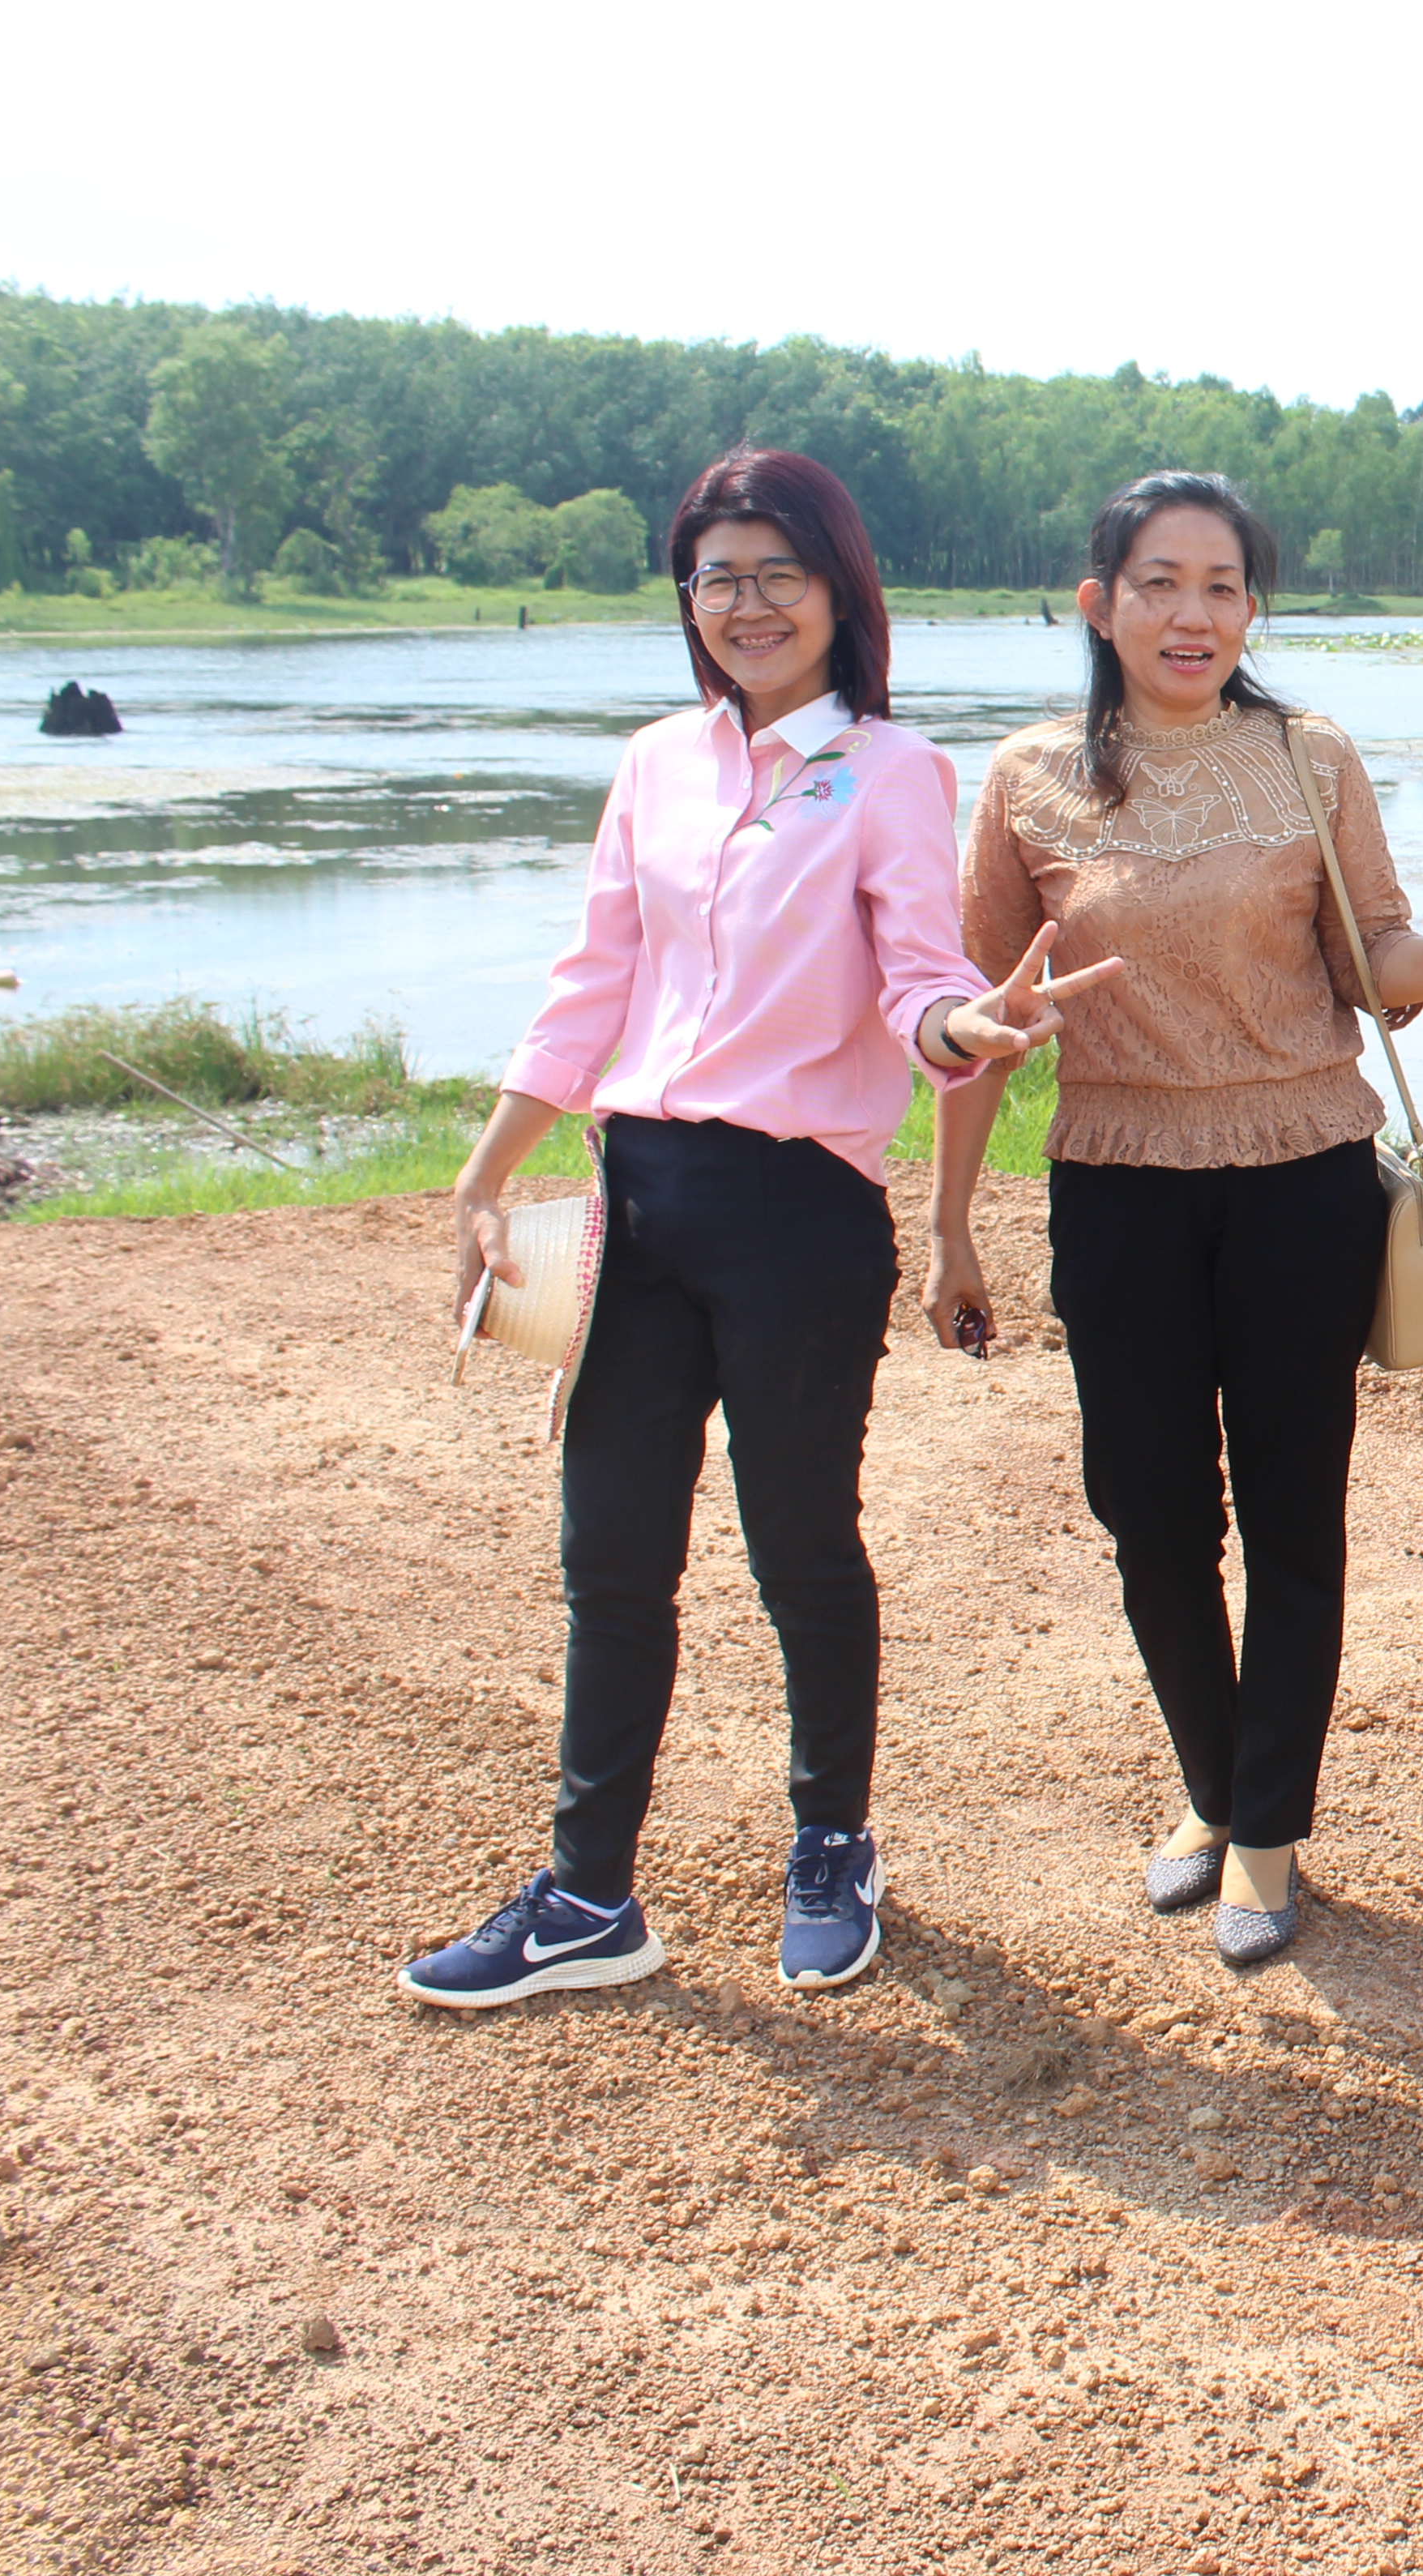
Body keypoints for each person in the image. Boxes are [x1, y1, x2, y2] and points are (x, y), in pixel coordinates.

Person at [408, 450, 1071, 2010]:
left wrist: (966, 1030)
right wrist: (491, 1164)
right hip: (637, 1193)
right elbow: (593, 980)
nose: (747, 603)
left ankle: (832, 1842)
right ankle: (587, 1895)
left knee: (797, 1546)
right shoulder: (655, 762)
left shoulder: (891, 771)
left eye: (779, 571)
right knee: (612, 1552)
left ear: (841, 589)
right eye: (717, 575)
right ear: (687, 600)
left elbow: (918, 975)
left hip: (797, 1215)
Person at [929, 472, 1423, 1963]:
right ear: (1099, 604)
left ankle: (1266, 1827)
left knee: (1291, 1509)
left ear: (1251, 608)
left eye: (1220, 584)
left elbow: (1374, 966)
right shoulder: (1025, 782)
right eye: (1158, 582)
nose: (1190, 612)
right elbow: (975, 1017)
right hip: (1116, 1187)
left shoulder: (1308, 755)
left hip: (1300, 1181)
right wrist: (950, 1224)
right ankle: (1212, 1786)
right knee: (1144, 1509)